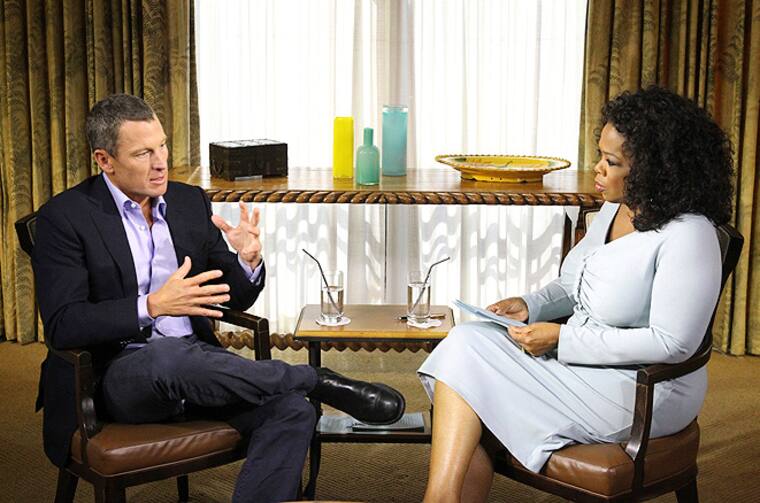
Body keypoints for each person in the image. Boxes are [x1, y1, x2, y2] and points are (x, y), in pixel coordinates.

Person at [32, 94, 405, 503]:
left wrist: (247, 260)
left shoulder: (188, 202)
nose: (160, 163)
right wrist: (152, 306)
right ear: (105, 160)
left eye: (162, 146)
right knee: (167, 355)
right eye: (143, 153)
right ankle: (314, 379)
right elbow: (64, 324)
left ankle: (304, 389)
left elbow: (234, 297)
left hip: (199, 366)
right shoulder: (65, 217)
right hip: (116, 377)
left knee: (293, 411)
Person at [417, 86, 734, 502]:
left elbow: (673, 343)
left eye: (612, 162)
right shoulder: (614, 209)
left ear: (657, 169)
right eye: (601, 155)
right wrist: (530, 305)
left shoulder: (689, 234)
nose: (598, 169)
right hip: (581, 365)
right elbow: (573, 285)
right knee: (468, 341)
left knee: (467, 368)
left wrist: (562, 338)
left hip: (641, 391)